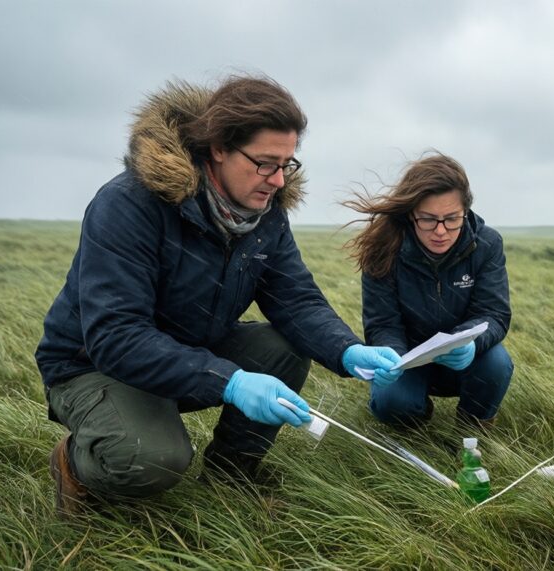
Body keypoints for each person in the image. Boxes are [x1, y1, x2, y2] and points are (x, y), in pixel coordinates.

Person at [36, 75, 403, 517]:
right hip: (92, 365)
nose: (278, 180)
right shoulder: (129, 204)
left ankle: (232, 477)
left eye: (288, 164)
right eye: (266, 163)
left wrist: (348, 351)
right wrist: (228, 380)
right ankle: (77, 463)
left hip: (188, 348)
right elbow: (116, 335)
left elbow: (296, 300)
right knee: (151, 459)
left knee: (284, 348)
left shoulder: (266, 213)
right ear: (219, 148)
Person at [344, 153, 513, 428]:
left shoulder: (487, 243)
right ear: (411, 214)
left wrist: (467, 343)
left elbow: (494, 313)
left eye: (452, 219)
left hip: (463, 356)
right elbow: (383, 323)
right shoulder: (383, 247)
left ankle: (473, 426)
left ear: (465, 212)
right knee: (392, 402)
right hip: (408, 359)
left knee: (496, 362)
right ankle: (417, 416)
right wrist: (393, 358)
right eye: (428, 219)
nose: (441, 231)